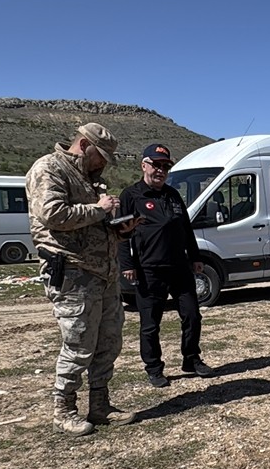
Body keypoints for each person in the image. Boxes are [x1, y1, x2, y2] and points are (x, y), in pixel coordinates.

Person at [26, 123, 138, 436]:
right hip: (73, 273)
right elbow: (52, 214)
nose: (102, 163)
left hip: (104, 273)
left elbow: (92, 224)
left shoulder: (90, 179)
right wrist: (99, 209)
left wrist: (118, 228)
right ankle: (64, 410)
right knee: (79, 342)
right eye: (100, 155)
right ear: (84, 144)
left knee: (108, 341)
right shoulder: (49, 168)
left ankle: (100, 405)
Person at [119, 143, 213, 387]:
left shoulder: (172, 195)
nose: (160, 170)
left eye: (165, 166)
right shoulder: (131, 195)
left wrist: (195, 257)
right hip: (148, 270)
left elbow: (186, 229)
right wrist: (127, 264)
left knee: (192, 315)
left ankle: (191, 359)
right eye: (156, 165)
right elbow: (121, 234)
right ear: (144, 165)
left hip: (179, 267)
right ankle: (154, 367)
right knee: (150, 324)